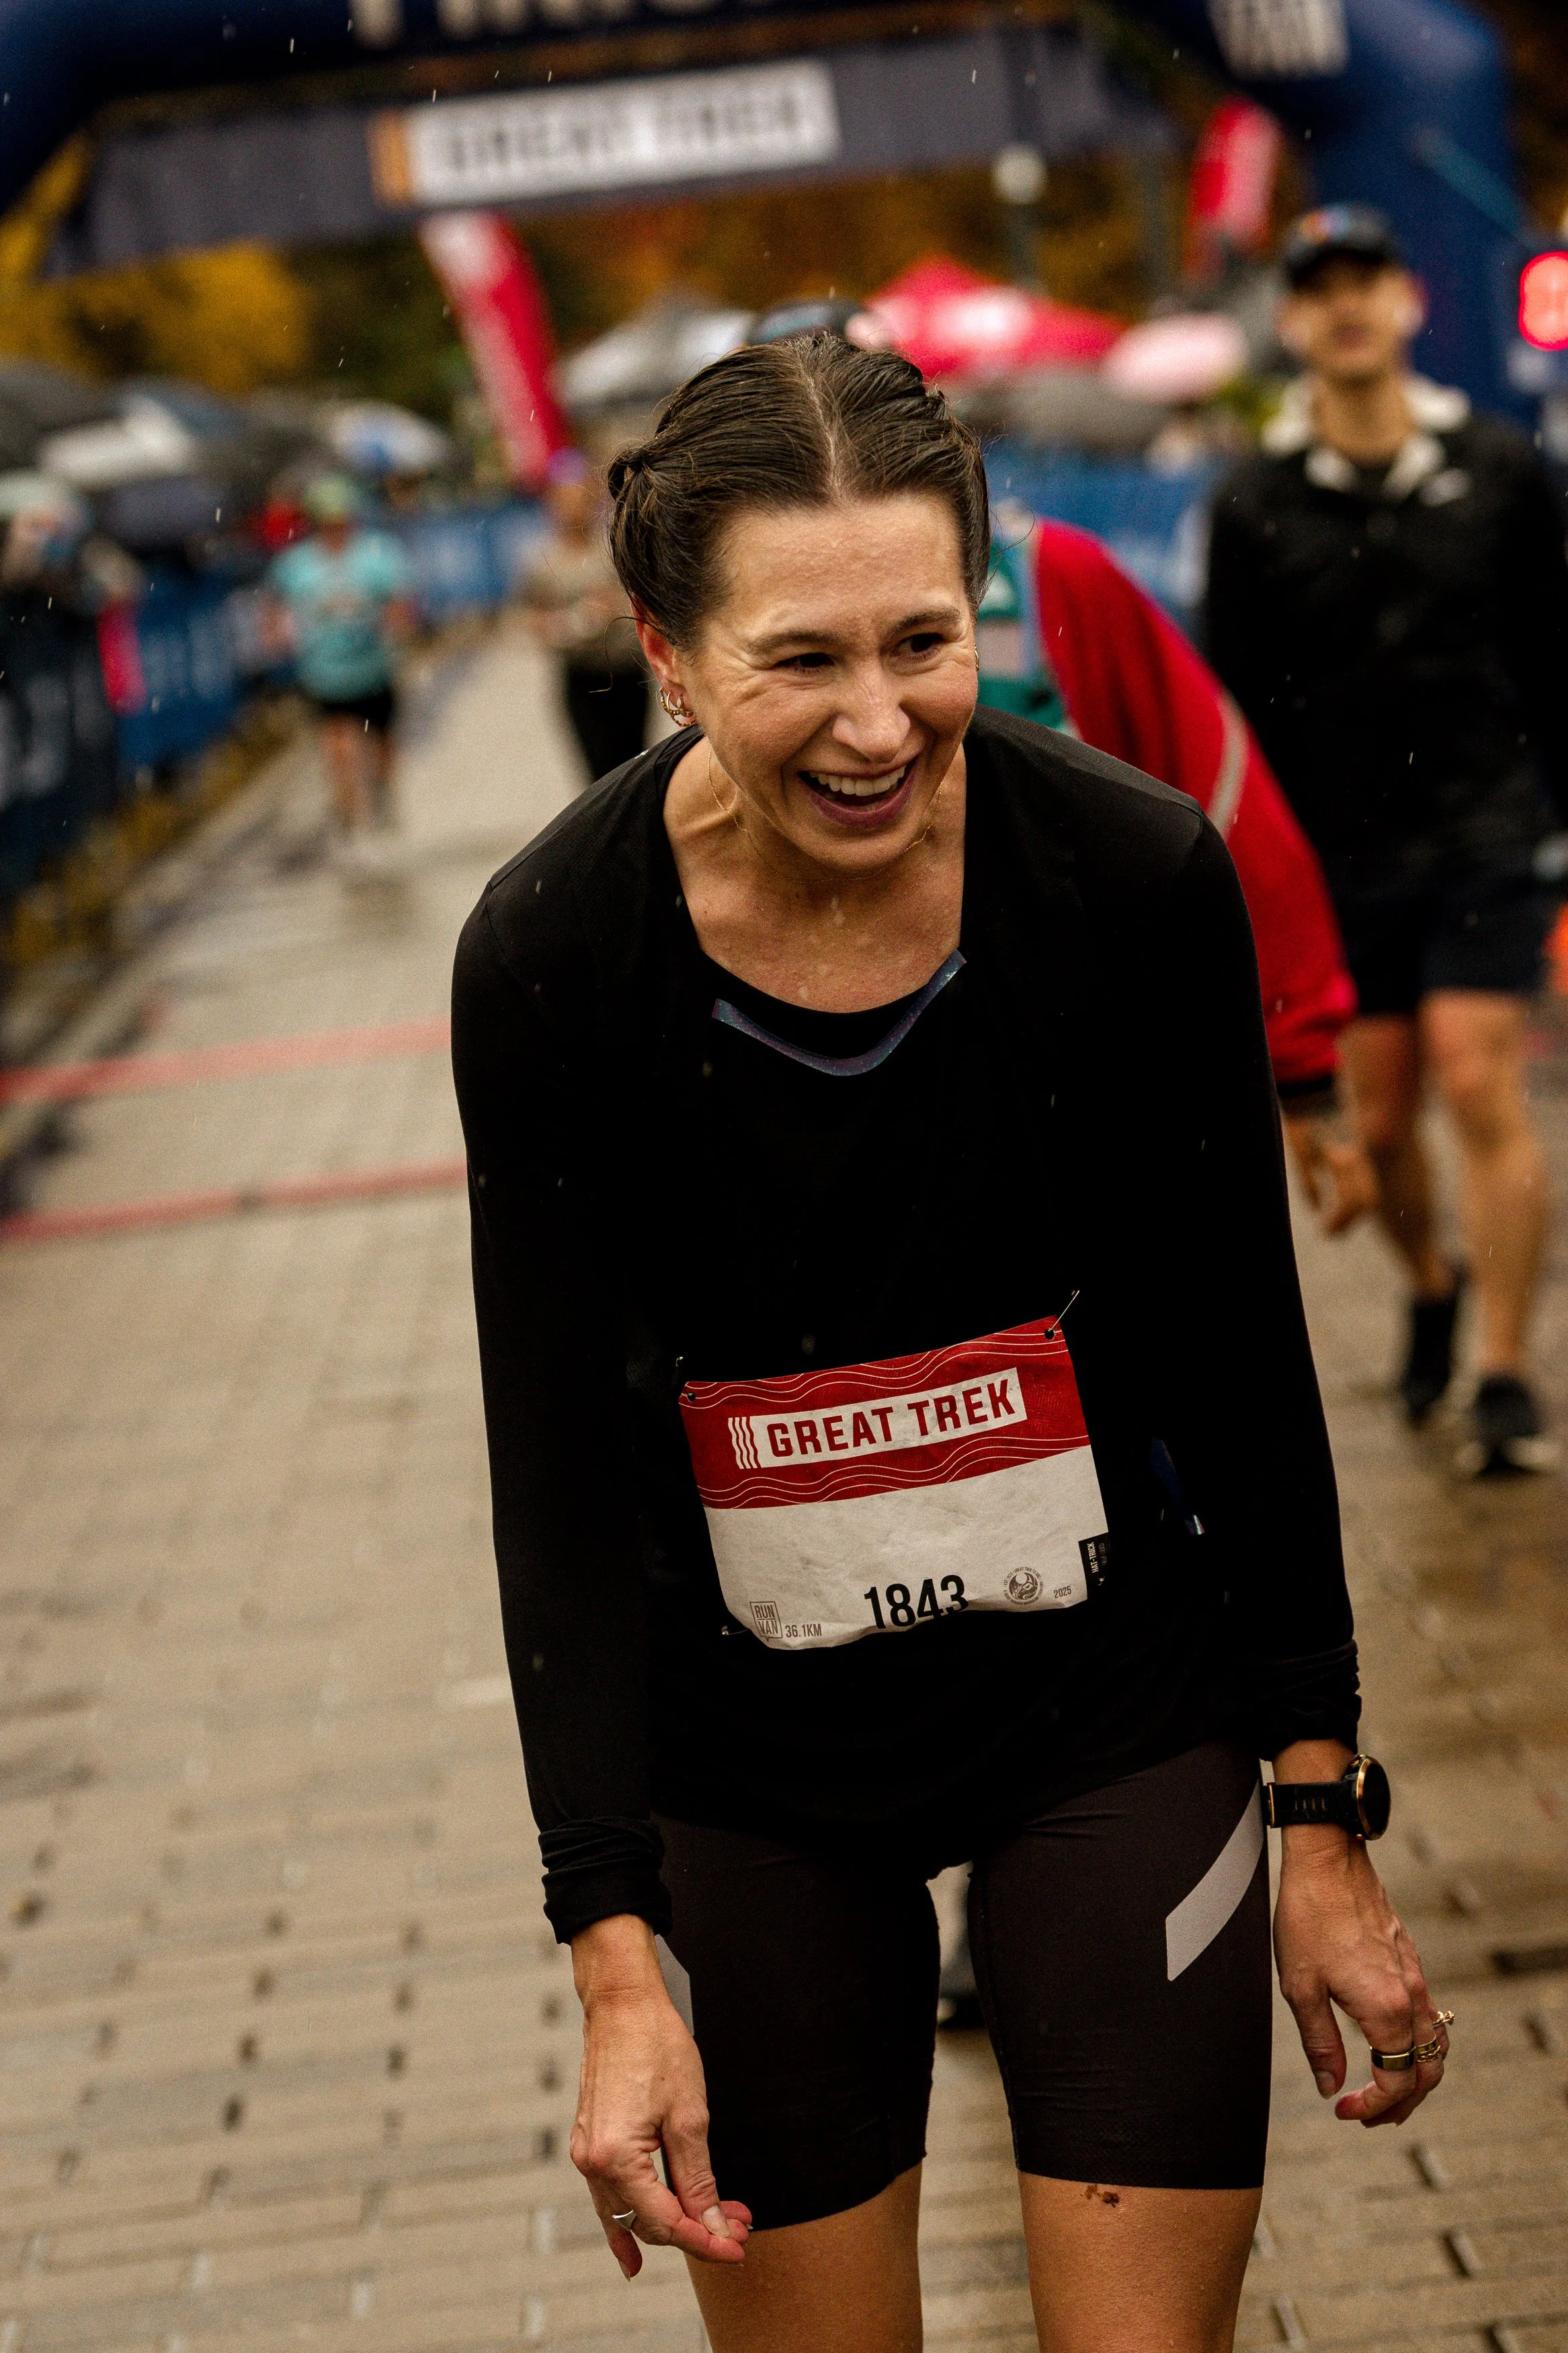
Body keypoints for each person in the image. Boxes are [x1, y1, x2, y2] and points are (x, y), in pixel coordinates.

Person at [452, 337, 1447, 2353]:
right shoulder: (556, 950)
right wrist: (612, 1952)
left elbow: (1249, 1366)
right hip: (751, 1762)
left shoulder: (1130, 874)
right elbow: (553, 1477)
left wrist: (1321, 1812)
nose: (879, 718)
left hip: (1113, 1704)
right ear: (663, 645)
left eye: (928, 635)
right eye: (796, 657)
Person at [1207, 206, 1568, 1474]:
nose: (1346, 304)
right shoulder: (1250, 503)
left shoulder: (1500, 467)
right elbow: (1233, 712)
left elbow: (1550, 660)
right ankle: (1427, 1276)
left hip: (1483, 826)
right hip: (1333, 859)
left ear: (1406, 302)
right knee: (1383, 1111)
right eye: (1318, 287)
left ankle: (1507, 1370)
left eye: (1368, 278)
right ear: (1291, 320)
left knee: (1479, 1074)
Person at [980, 509, 1374, 1233]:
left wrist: (1303, 1066)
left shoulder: (1048, 571)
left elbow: (1221, 806)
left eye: (920, 642)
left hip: (1078, 1076)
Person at [266, 475, 416, 867]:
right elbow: (274, 610)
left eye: (342, 520)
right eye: (328, 522)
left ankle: (382, 798)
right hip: (325, 674)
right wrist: (279, 636)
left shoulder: (377, 556)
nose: (336, 529)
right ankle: (350, 822)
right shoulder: (296, 565)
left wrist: (391, 622)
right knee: (340, 750)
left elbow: (401, 604)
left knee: (381, 745)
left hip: (374, 669)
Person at [520, 446, 648, 787]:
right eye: (563, 496)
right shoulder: (543, 561)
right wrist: (578, 620)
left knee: (637, 771)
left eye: (579, 493)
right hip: (583, 678)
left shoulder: (614, 546)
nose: (572, 504)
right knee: (601, 779)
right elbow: (536, 625)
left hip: (628, 671)